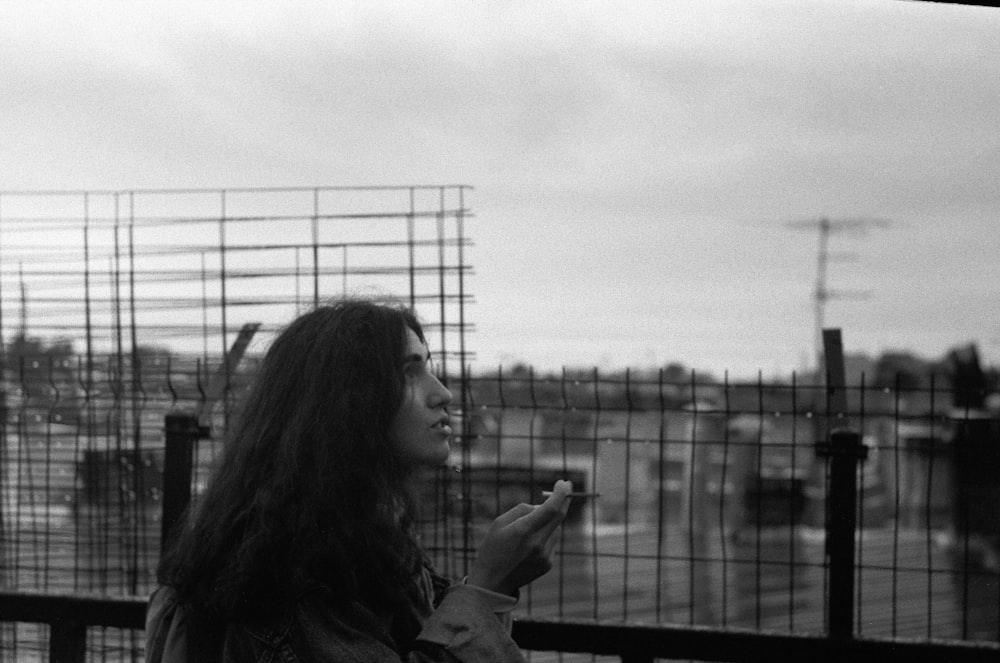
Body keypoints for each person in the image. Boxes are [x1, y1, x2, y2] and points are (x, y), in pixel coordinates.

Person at [146, 299, 572, 662]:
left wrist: (486, 592)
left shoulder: (361, 542)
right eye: (409, 372)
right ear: (347, 402)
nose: (441, 393)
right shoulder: (300, 573)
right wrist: (487, 588)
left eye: (429, 367)